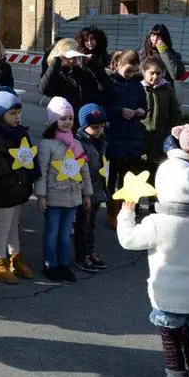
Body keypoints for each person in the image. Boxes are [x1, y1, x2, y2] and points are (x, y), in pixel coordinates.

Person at [117, 156, 189, 377]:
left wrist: (127, 213)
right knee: (183, 330)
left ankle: (177, 376)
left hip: (170, 296)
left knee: (170, 339)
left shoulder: (157, 223)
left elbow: (128, 240)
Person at [0, 86, 39, 284]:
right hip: (4, 192)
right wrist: (14, 185)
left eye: (19, 112)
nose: (17, 117)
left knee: (14, 226)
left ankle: (15, 257)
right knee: (3, 226)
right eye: (12, 113)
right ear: (1, 114)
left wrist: (26, 182)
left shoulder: (20, 133)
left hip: (19, 189)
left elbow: (29, 161)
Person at [36, 97, 92, 283]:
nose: (67, 122)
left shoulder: (76, 144)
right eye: (62, 118)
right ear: (53, 121)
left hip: (73, 197)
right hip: (53, 196)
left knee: (65, 234)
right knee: (52, 233)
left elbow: (84, 170)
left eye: (70, 118)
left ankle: (63, 265)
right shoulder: (47, 145)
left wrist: (87, 194)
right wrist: (41, 195)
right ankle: (50, 264)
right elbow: (41, 172)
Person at [105, 49, 147, 228]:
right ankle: (112, 213)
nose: (131, 74)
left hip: (133, 136)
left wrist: (141, 111)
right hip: (114, 134)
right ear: (118, 65)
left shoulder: (137, 85)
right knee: (113, 178)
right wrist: (119, 111)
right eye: (128, 70)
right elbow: (103, 107)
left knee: (130, 177)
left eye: (134, 71)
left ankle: (128, 212)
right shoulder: (110, 83)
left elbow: (144, 106)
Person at [74, 103, 110, 273]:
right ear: (83, 126)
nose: (99, 130)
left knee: (91, 224)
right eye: (95, 127)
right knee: (82, 224)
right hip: (84, 191)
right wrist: (85, 193)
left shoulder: (100, 141)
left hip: (97, 188)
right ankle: (82, 255)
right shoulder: (79, 143)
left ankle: (90, 250)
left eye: (102, 126)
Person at [38, 37, 112, 114]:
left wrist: (93, 64)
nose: (74, 58)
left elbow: (106, 88)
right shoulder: (57, 73)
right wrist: (57, 61)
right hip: (64, 118)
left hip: (84, 117)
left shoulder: (84, 73)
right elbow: (44, 89)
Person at [142, 56, 182, 189]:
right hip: (141, 138)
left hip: (160, 138)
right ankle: (133, 206)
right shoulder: (139, 89)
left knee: (156, 172)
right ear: (144, 72)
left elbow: (175, 114)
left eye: (158, 73)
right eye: (151, 73)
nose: (155, 76)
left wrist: (169, 132)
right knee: (139, 173)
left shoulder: (167, 91)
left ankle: (154, 205)